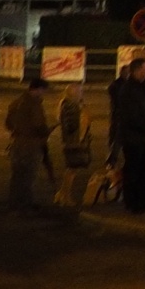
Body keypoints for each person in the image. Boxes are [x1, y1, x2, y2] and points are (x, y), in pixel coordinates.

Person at [109, 55, 145, 213]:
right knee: (133, 171)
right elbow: (131, 116)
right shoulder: (128, 90)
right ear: (137, 70)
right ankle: (133, 203)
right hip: (133, 137)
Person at [5, 76, 51, 209]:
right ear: (38, 89)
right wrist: (46, 132)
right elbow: (38, 125)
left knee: (17, 174)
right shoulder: (34, 104)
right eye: (43, 90)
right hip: (31, 144)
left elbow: (8, 124)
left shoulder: (16, 102)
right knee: (28, 174)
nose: (44, 93)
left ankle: (14, 201)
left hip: (16, 143)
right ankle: (26, 202)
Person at [52, 77, 92, 206]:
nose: (82, 94)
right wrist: (83, 112)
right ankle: (66, 197)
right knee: (71, 171)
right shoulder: (71, 107)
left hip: (70, 142)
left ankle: (61, 194)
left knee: (70, 170)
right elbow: (73, 125)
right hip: (74, 142)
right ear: (73, 93)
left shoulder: (67, 105)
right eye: (80, 91)